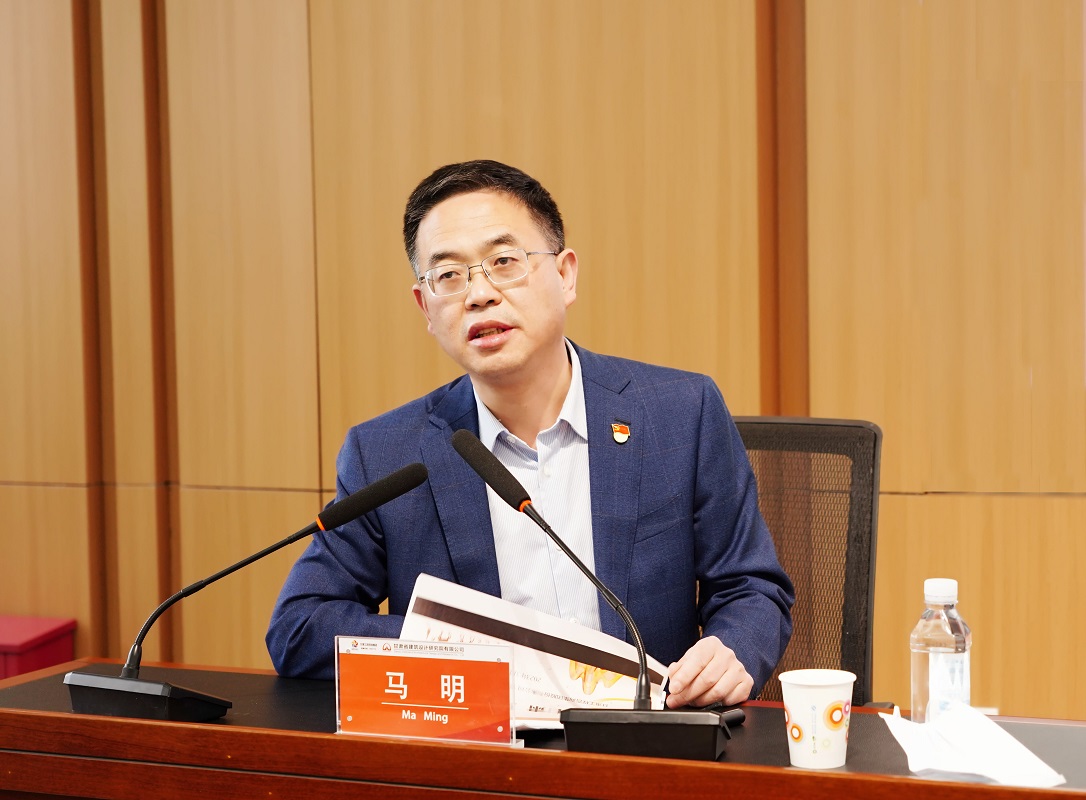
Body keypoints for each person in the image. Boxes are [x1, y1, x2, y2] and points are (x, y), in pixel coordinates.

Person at [266, 160, 794, 708]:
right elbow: (300, 627)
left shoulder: (680, 413)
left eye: (503, 262)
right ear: (425, 307)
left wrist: (731, 650)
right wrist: (459, 649)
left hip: (647, 740)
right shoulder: (386, 454)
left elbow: (751, 587)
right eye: (448, 276)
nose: (479, 294)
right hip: (482, 748)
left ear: (565, 275)